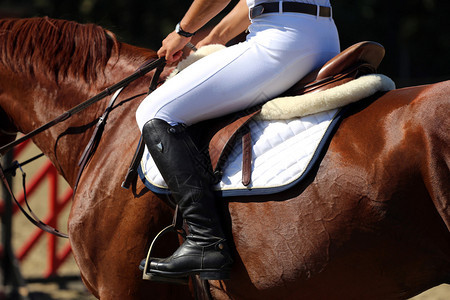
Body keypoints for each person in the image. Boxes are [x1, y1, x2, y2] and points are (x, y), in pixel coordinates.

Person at [136, 0, 340, 281]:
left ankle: (204, 240)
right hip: (323, 36)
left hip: (279, 40)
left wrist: (183, 32)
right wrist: (214, 39)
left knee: (154, 111)